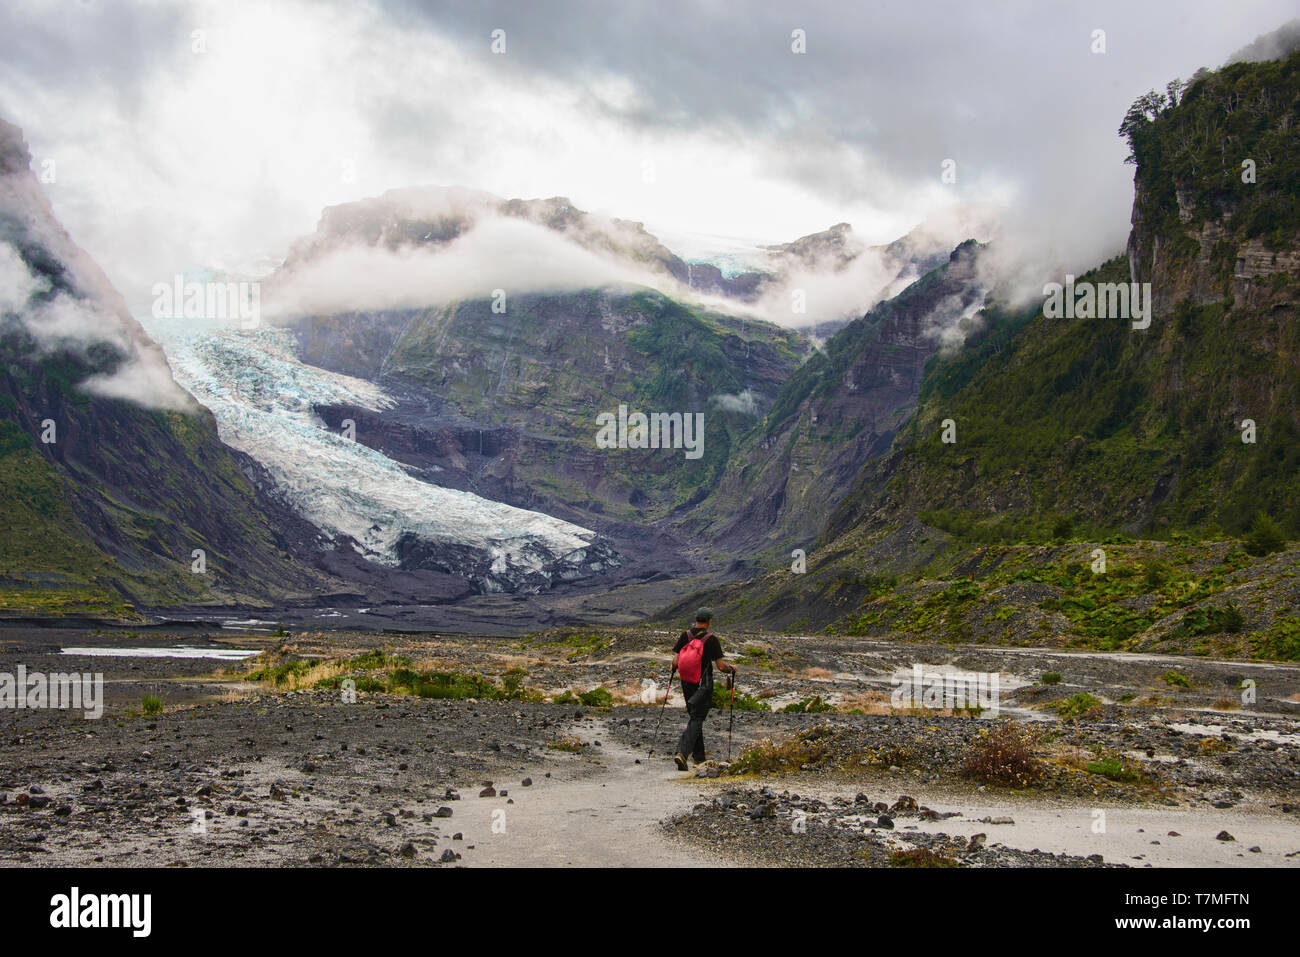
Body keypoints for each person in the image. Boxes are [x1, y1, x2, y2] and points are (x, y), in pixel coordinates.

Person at [670, 607, 737, 770]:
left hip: (686, 683)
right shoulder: (711, 639)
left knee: (694, 717)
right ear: (708, 621)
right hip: (703, 685)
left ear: (696, 619)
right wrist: (732, 669)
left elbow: (674, 663)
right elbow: (721, 667)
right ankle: (682, 753)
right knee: (697, 718)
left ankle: (699, 758)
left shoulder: (685, 635)